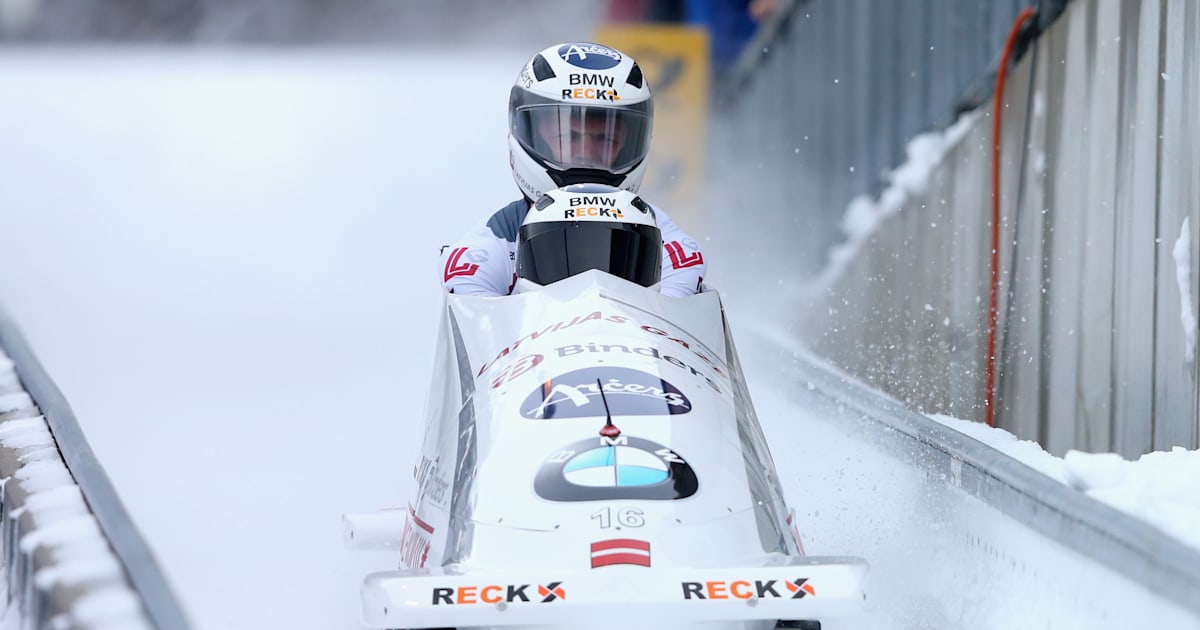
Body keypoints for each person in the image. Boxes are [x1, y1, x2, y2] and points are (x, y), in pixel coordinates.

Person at [440, 41, 706, 298]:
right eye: (569, 137)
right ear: (531, 134)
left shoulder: (676, 250)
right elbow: (474, 322)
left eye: (605, 140)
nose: (585, 154)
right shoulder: (483, 253)